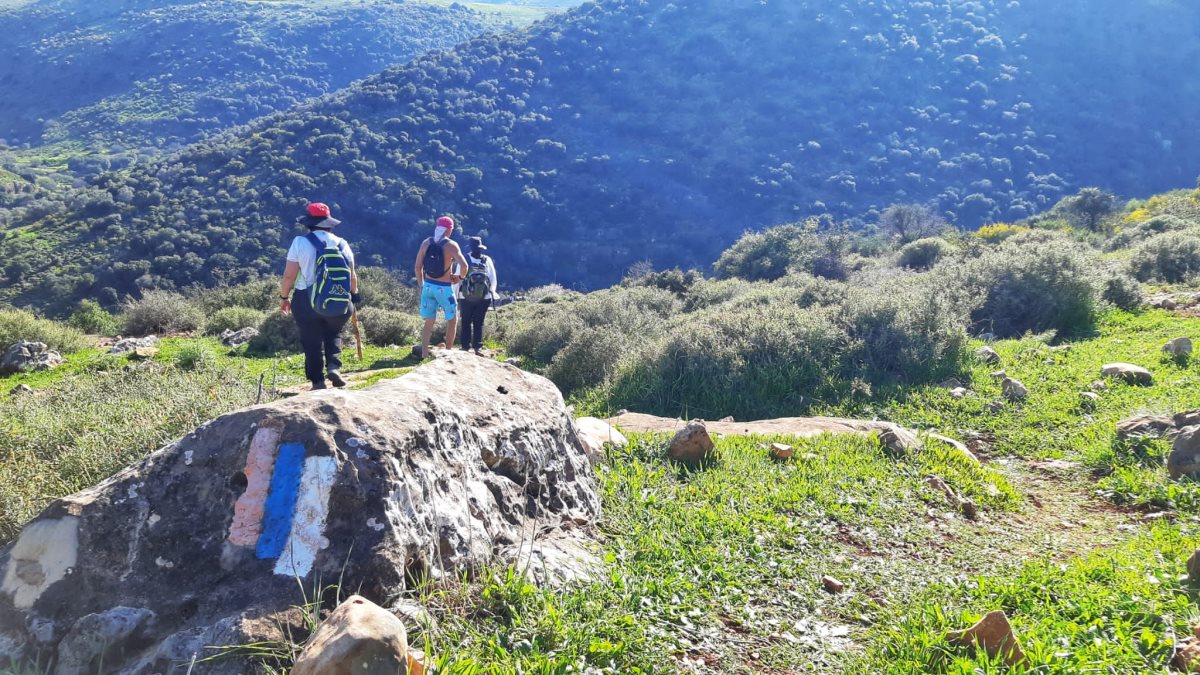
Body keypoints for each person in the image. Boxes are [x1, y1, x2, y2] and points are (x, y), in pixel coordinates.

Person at [278, 202, 360, 390]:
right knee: (334, 331)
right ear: (329, 223)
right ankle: (334, 367)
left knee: (311, 339)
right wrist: (354, 296)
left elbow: (289, 274)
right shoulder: (342, 243)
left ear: (309, 223)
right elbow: (351, 275)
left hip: (306, 299)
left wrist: (284, 297)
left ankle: (317, 382)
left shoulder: (300, 242)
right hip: (339, 298)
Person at [415, 215, 468, 358]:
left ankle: (424, 354)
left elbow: (418, 267)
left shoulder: (426, 243)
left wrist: (422, 284)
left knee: (429, 322)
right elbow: (464, 266)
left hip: (428, 286)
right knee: (452, 319)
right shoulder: (451, 245)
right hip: (444, 288)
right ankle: (448, 353)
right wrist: (460, 278)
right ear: (449, 230)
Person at [457, 236, 498, 355]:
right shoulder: (487, 260)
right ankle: (477, 347)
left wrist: (456, 295)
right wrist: (492, 293)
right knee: (479, 322)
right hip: (484, 297)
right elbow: (492, 278)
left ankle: (465, 347)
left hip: (466, 296)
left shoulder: (464, 259)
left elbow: (458, 277)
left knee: (466, 321)